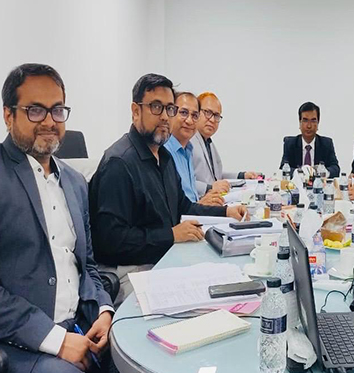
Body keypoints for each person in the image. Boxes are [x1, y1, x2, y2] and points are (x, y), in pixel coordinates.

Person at [0, 63, 113, 373]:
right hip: (16, 345)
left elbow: (88, 266)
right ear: (8, 115)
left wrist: (103, 310)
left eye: (57, 109)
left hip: (81, 327)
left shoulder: (75, 182)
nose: (49, 121)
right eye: (35, 110)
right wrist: (57, 341)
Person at [89, 73, 247, 304]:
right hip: (129, 270)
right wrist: (171, 235)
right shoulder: (119, 163)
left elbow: (183, 206)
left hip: (163, 256)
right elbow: (109, 241)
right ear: (135, 111)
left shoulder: (163, 157)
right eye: (156, 107)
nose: (165, 116)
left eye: (169, 109)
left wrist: (226, 212)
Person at [191, 91, 259, 197]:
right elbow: (183, 181)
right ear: (196, 112)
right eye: (207, 112)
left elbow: (216, 177)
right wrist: (210, 188)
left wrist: (242, 175)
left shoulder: (208, 142)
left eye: (216, 115)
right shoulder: (188, 141)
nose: (212, 120)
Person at [166, 91, 225, 206]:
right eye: (183, 113)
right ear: (171, 113)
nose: (189, 120)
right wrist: (201, 203)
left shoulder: (187, 150)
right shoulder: (164, 152)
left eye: (194, 116)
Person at [280, 101, 340, 177]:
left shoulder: (326, 144)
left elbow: (335, 169)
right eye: (305, 120)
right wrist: (300, 172)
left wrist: (323, 172)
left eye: (313, 121)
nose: (309, 126)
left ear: (318, 123)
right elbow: (283, 168)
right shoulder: (290, 143)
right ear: (300, 122)